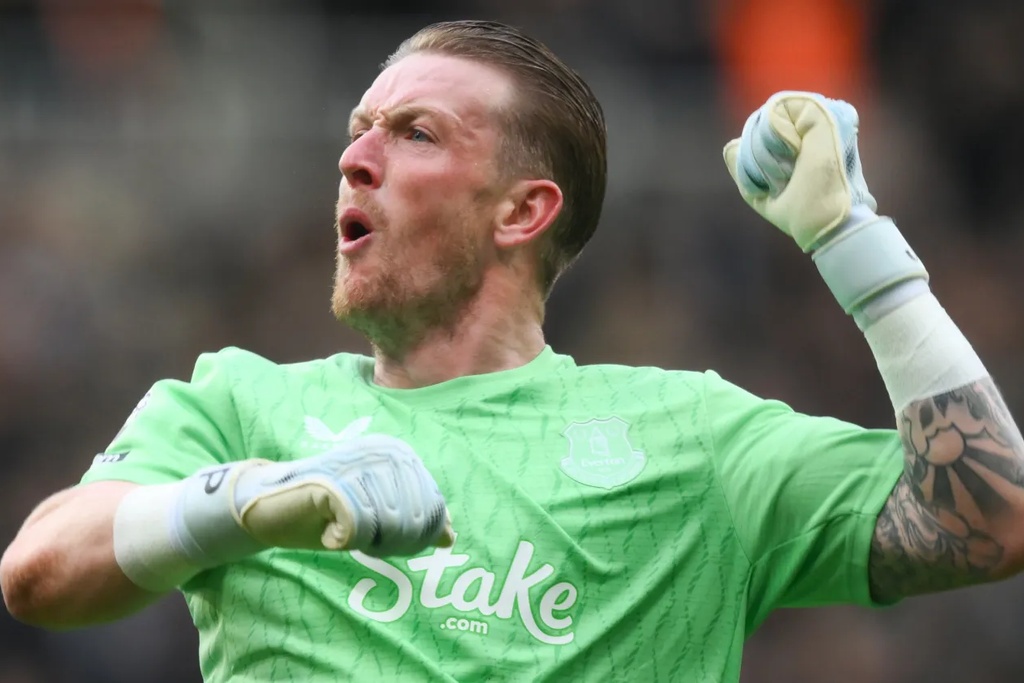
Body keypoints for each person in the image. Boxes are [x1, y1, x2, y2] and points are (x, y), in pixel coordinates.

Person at [2, 18, 1023, 683]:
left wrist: (858, 249)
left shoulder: (693, 439)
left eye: (414, 133)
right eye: (358, 129)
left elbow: (991, 516)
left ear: (523, 211)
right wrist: (247, 498)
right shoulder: (239, 406)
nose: (354, 157)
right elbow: (39, 569)